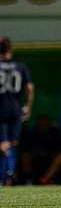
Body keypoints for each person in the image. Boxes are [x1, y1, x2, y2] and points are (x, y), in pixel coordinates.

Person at [0, 38, 34, 185]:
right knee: (13, 142)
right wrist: (28, 106)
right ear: (10, 49)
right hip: (15, 108)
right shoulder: (20, 66)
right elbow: (30, 88)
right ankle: (10, 173)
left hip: (1, 107)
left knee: (3, 142)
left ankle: (4, 174)